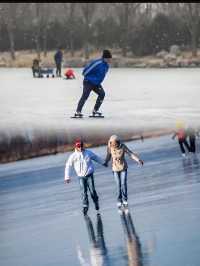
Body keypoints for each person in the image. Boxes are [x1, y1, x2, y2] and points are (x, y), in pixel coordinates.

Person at [64, 139, 106, 215]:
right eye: (78, 146)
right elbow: (68, 166)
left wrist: (103, 163)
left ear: (83, 146)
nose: (80, 147)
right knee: (83, 192)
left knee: (92, 191)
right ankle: (85, 206)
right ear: (76, 147)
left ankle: (96, 202)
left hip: (89, 175)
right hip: (81, 177)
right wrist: (67, 177)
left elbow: (96, 158)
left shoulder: (88, 153)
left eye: (81, 145)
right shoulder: (73, 156)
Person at [103, 135, 144, 208]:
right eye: (112, 143)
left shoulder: (123, 146)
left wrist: (138, 160)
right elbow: (108, 156)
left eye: (114, 143)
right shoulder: (109, 147)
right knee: (118, 185)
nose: (113, 144)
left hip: (123, 168)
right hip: (115, 169)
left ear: (117, 142)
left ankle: (125, 200)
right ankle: (119, 200)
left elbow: (130, 154)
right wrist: (106, 162)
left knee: (123, 184)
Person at [74, 49, 112, 117]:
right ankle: (78, 112)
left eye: (110, 59)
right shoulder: (97, 63)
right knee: (85, 96)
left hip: (96, 84)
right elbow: (85, 72)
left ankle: (95, 110)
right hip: (88, 82)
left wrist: (97, 81)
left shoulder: (106, 65)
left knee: (102, 94)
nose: (110, 60)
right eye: (108, 58)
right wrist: (89, 78)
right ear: (105, 58)